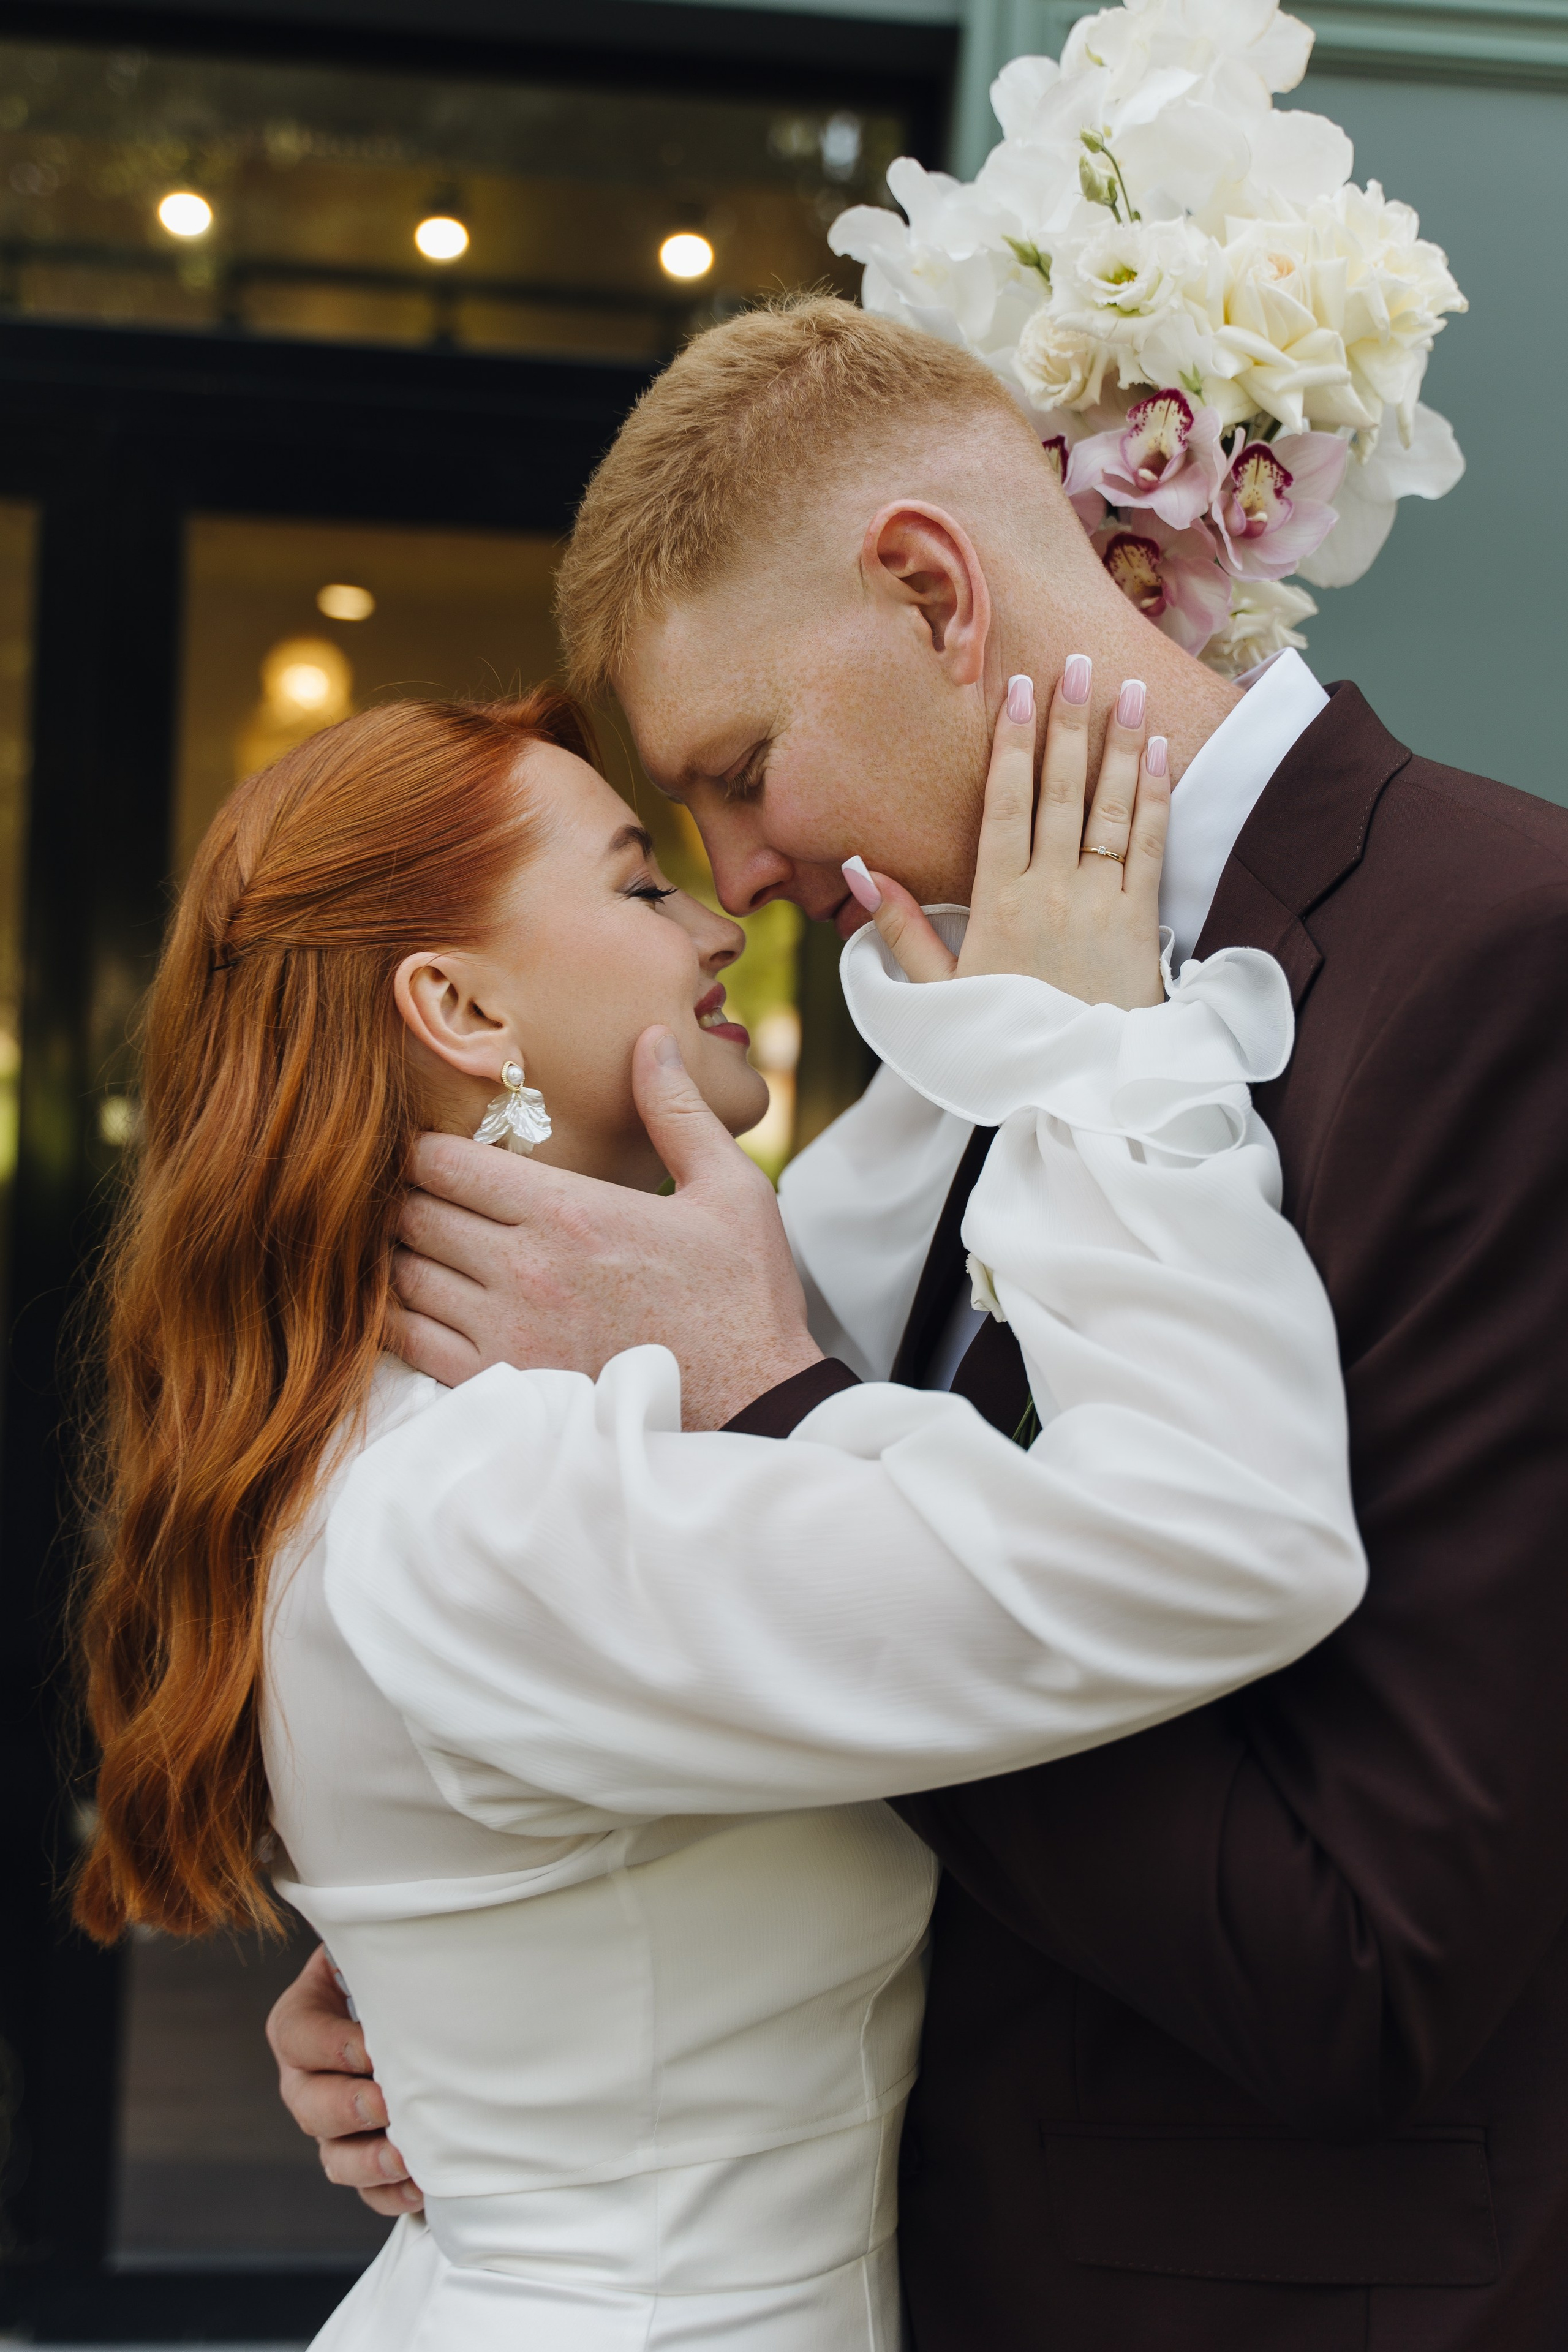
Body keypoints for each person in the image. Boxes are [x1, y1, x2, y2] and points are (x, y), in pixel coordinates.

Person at [274, 298, 1568, 2350]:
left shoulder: (1502, 954)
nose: (745, 877)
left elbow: (1372, 1952)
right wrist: (488, 1984)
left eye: (740, 770)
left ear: (929, 593)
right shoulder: (953, 1016)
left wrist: (770, 1397)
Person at [74, 669, 1361, 2351]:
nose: (719, 921)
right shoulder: (491, 1505)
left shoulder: (492, 1412)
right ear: (461, 1010)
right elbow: (1219, 1549)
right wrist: (1098, 1046)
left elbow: (870, 1201)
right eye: (636, 880)